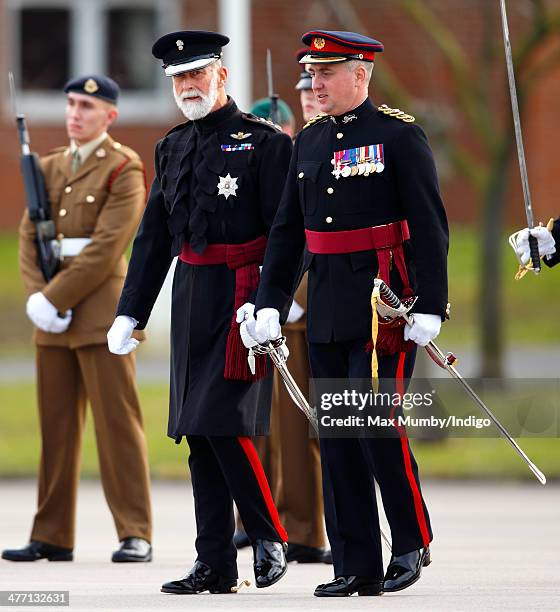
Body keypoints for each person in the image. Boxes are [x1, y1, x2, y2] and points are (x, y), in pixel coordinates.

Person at [239, 30, 449, 597]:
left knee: (374, 425)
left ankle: (409, 541)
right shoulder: (307, 142)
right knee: (334, 435)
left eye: (327, 73)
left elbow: (430, 226)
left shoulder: (398, 136)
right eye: (311, 73)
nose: (315, 84)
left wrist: (432, 305)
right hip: (328, 304)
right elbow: (288, 233)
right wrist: (268, 303)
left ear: (362, 76)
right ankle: (355, 563)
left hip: (384, 305)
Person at [106, 31, 293, 594]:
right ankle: (214, 562)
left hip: (243, 296)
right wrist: (130, 311)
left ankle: (267, 533)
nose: (188, 86)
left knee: (221, 421)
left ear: (221, 76)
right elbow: (154, 236)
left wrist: (272, 303)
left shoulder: (264, 144)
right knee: (197, 431)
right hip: (191, 293)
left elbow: (288, 234)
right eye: (179, 78)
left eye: (197, 75)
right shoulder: (172, 145)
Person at [3, 75, 152, 564]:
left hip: (99, 315)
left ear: (109, 115)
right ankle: (51, 533)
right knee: (56, 429)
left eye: (86, 106)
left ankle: (135, 531)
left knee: (117, 426)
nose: (74, 114)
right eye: (70, 104)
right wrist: (39, 298)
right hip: (52, 318)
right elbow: (29, 238)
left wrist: (58, 295)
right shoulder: (46, 167)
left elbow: (110, 245)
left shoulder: (122, 169)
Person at [233, 94, 331, 565]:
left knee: (300, 431)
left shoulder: (313, 156)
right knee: (257, 426)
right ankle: (256, 522)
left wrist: (297, 298)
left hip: (303, 311)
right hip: (261, 308)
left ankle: (308, 530)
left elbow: (313, 236)